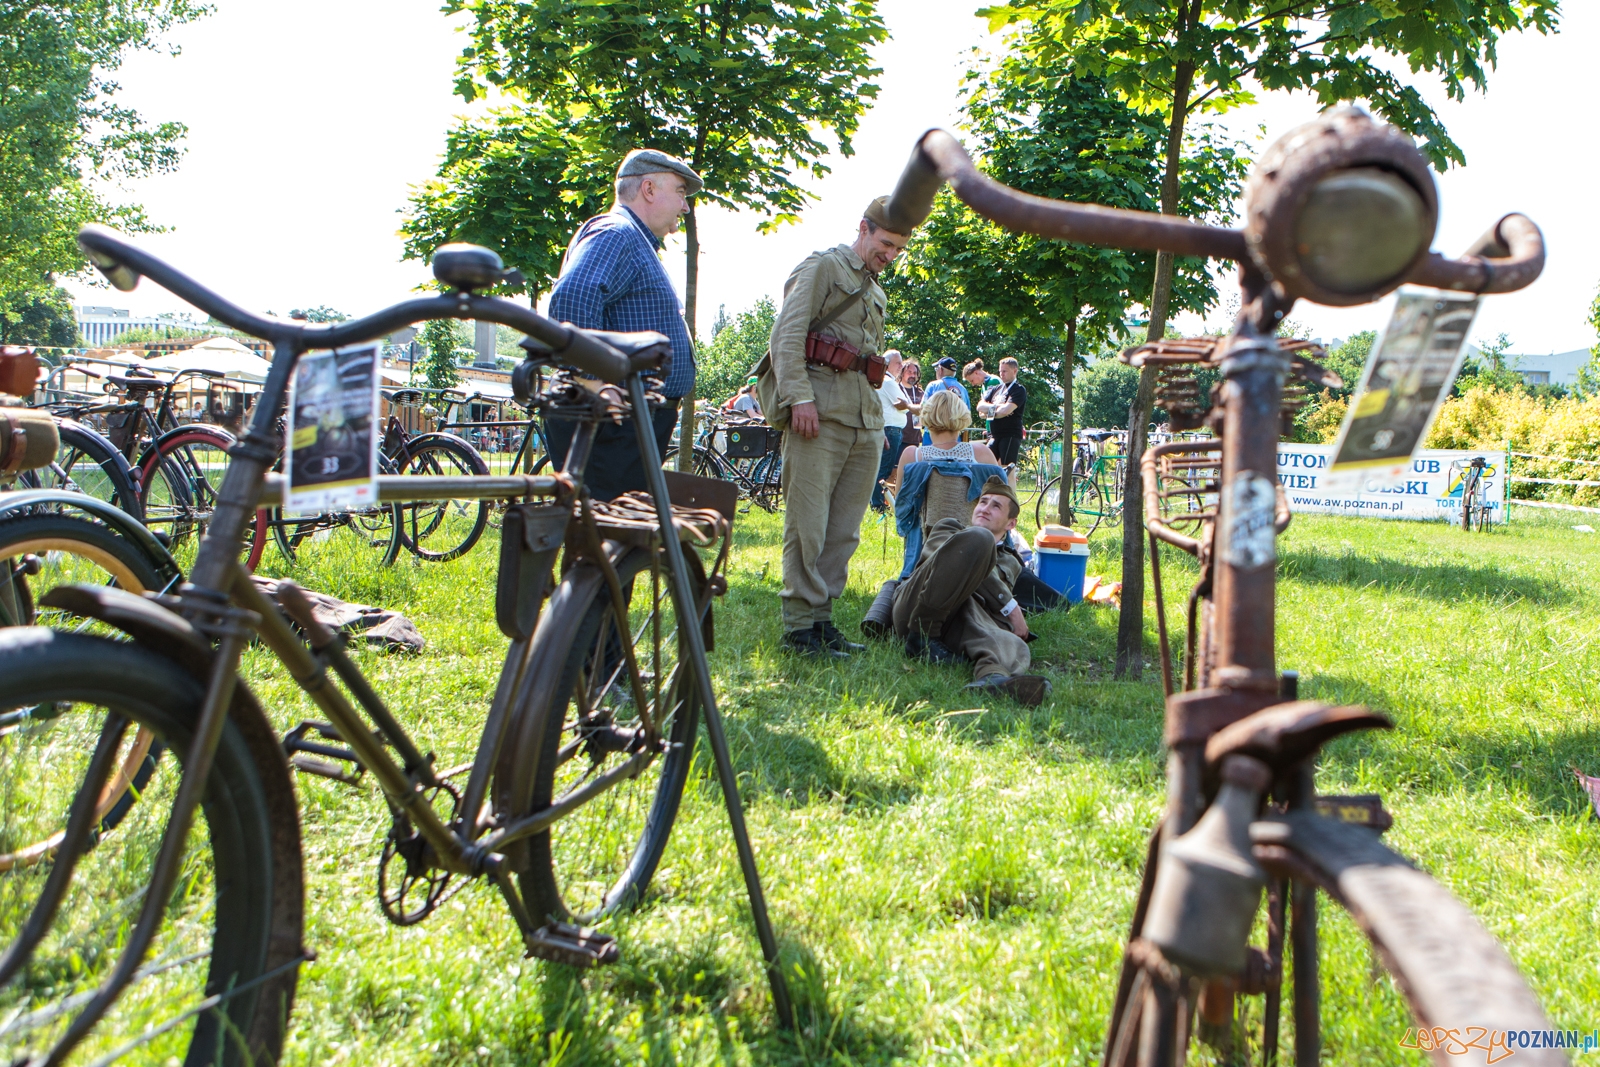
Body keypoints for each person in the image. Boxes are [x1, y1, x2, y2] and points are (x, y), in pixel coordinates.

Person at [765, 196, 911, 657]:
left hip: (864, 419)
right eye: (885, 244)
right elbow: (786, 336)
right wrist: (799, 398)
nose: (889, 256)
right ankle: (798, 627)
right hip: (819, 413)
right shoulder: (824, 267)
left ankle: (822, 619)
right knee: (808, 524)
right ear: (863, 229)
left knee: (844, 529)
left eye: (898, 250)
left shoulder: (877, 290)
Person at [544, 148, 702, 501]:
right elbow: (571, 298)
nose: (686, 206)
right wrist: (591, 382)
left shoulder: (634, 239)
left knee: (614, 541)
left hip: (625, 420)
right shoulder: (617, 233)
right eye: (680, 192)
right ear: (648, 189)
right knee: (607, 537)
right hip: (612, 421)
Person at [892, 475, 1051, 707]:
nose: (985, 508)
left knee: (1013, 642)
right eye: (983, 501)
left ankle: (993, 678)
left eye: (996, 506)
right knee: (980, 539)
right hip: (916, 610)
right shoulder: (949, 527)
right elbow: (940, 563)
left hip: (962, 622)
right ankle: (922, 638)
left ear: (1011, 524)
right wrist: (1010, 607)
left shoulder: (1012, 561)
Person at [889, 388, 1000, 578]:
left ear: (925, 417)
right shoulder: (981, 454)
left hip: (923, 553)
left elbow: (902, 509)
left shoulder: (912, 456)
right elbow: (1002, 504)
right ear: (962, 417)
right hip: (973, 552)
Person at [871, 349, 912, 511]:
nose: (901, 366)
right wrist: (907, 406)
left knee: (881, 468)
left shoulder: (881, 380)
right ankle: (878, 504)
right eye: (898, 362)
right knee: (884, 469)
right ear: (887, 364)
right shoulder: (888, 382)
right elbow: (906, 405)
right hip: (890, 430)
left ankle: (876, 502)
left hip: (887, 429)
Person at [979, 356, 1028, 467]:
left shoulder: (1018, 389)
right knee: (985, 465)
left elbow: (1006, 410)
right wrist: (998, 409)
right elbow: (980, 408)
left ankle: (1008, 485)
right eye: (1000, 371)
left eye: (1005, 371)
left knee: (1007, 468)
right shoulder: (995, 389)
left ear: (1014, 371)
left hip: (1010, 434)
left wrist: (991, 411)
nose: (1001, 374)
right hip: (994, 435)